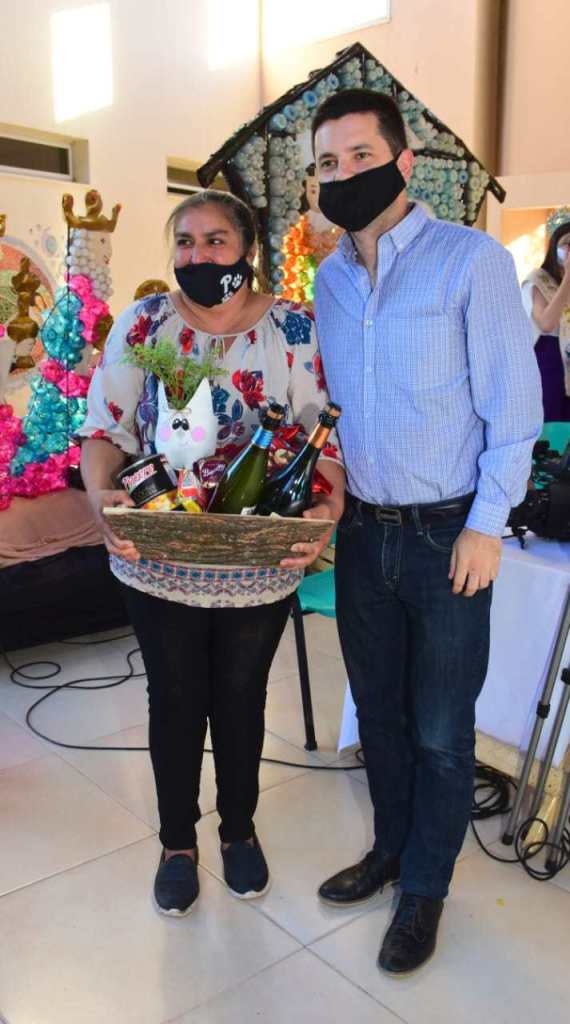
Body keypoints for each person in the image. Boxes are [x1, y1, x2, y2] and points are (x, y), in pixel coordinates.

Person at [311, 90, 543, 975]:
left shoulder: (470, 261)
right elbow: (339, 407)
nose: (343, 175)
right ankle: (390, 849)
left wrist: (487, 527)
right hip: (364, 533)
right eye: (327, 163)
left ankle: (426, 887)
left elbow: (514, 413)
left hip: (449, 534)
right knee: (379, 713)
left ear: (403, 163)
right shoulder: (329, 280)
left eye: (360, 157)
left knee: (442, 730)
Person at [79, 190, 344, 916]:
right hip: (157, 551)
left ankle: (238, 830)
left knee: (241, 696)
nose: (198, 255)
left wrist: (327, 511)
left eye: (215, 240)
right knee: (173, 699)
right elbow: (104, 429)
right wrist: (100, 498)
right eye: (185, 242)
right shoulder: (146, 323)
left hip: (257, 561)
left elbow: (325, 437)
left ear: (247, 248)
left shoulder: (292, 327)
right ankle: (176, 843)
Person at [521, 207, 570, 421]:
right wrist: (568, 278)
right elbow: (546, 323)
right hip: (550, 359)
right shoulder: (539, 279)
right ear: (555, 248)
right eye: (567, 243)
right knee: (553, 422)